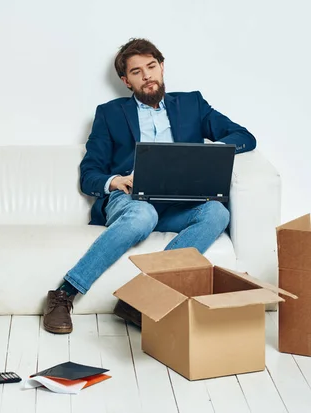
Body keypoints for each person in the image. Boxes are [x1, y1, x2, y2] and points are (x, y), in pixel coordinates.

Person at [43, 38, 256, 334]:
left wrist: (212, 152)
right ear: (125, 81)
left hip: (180, 204)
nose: (147, 76)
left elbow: (244, 136)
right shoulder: (110, 113)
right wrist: (116, 181)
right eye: (136, 72)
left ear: (162, 67)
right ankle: (64, 294)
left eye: (152, 66)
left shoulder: (192, 104)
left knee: (217, 213)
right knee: (144, 214)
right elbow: (89, 174)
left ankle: (142, 299)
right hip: (132, 201)